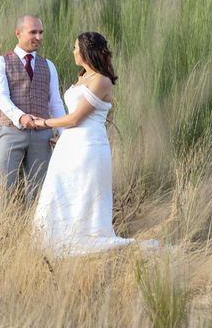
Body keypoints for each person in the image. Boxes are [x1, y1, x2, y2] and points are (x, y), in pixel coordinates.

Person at [31, 32, 136, 257]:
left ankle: (84, 246)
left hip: (89, 147)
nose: (73, 51)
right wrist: (63, 139)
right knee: (62, 192)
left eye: (76, 47)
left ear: (86, 50)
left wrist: (43, 122)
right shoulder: (82, 77)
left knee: (84, 195)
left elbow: (75, 119)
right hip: (70, 146)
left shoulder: (101, 80)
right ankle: (56, 245)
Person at [0, 15, 66, 205]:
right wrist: (20, 116)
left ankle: (35, 233)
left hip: (42, 136)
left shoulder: (49, 66)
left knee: (40, 190)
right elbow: (1, 97)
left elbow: (55, 102)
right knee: (4, 187)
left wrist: (64, 136)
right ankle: (2, 231)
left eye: (41, 32)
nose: (38, 37)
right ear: (18, 33)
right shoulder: (0, 63)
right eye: (33, 32)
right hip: (11, 132)